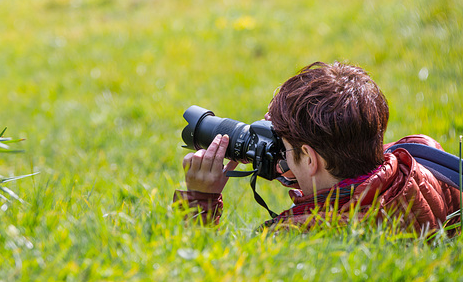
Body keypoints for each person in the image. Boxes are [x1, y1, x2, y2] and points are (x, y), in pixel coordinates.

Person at [174, 61, 461, 234]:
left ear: (311, 159)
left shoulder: (298, 233)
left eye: (284, 146)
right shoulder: (423, 160)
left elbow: (202, 274)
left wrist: (201, 200)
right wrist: (292, 162)